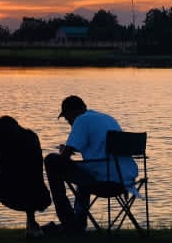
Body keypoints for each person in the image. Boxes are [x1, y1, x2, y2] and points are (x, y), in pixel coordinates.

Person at [43, 95, 137, 234]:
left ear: (73, 112)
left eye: (68, 119)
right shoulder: (107, 118)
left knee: (51, 161)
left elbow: (64, 157)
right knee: (82, 171)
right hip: (124, 180)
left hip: (104, 180)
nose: (69, 123)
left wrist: (64, 151)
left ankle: (68, 223)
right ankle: (78, 222)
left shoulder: (81, 120)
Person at [0, 116, 51, 238]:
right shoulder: (31, 136)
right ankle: (32, 225)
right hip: (39, 197)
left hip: (10, 194)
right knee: (28, 178)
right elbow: (21, 162)